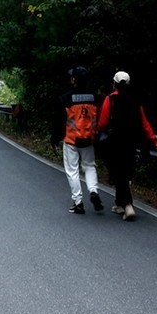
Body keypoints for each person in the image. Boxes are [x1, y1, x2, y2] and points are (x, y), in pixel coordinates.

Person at [98, 70, 157, 221]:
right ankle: (120, 204)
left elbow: (102, 122)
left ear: (114, 84)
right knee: (124, 173)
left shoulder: (111, 99)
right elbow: (144, 123)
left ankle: (128, 205)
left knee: (117, 173)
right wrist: (154, 141)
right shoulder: (135, 100)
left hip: (115, 141)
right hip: (131, 142)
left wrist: (100, 134)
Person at [54, 66, 103, 214]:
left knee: (72, 171)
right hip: (89, 139)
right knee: (89, 166)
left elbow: (59, 121)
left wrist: (55, 138)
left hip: (71, 139)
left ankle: (78, 202)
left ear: (74, 80)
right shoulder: (95, 98)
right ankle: (93, 191)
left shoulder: (65, 98)